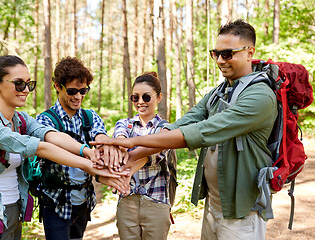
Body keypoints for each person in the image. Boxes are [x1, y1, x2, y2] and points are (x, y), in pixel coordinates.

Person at [92, 19, 277, 240]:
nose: (219, 60)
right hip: (214, 205)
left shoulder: (260, 96)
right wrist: (136, 154)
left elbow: (205, 130)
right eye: (215, 53)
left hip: (241, 210)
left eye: (227, 54)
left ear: (249, 52)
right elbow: (187, 121)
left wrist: (133, 144)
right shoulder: (220, 91)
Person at [0, 55, 127, 240]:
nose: (26, 90)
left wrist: (88, 151)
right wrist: (88, 165)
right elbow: (40, 147)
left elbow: (51, 135)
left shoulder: (20, 119)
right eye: (19, 84)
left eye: (29, 84)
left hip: (14, 210)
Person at [35, 56, 128, 240]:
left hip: (83, 202)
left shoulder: (89, 116)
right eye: (72, 91)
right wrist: (87, 152)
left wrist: (104, 144)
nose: (78, 96)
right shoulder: (45, 120)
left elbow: (99, 134)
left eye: (83, 90)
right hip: (55, 202)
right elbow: (52, 145)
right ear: (57, 86)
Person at [100, 72, 172, 240]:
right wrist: (121, 145)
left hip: (157, 200)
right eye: (135, 97)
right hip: (127, 202)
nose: (140, 102)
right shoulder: (124, 124)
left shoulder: (166, 129)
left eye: (146, 97)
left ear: (159, 97)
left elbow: (157, 151)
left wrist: (128, 161)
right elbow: (120, 138)